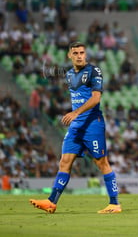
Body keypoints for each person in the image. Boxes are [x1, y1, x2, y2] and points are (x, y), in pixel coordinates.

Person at [29, 42, 121, 214]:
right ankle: (52, 201)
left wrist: (75, 113)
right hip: (76, 126)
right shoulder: (70, 74)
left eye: (82, 52)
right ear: (69, 55)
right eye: (76, 53)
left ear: (86, 54)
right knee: (64, 162)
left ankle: (114, 204)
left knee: (102, 163)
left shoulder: (94, 71)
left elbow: (96, 99)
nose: (79, 55)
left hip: (93, 124)